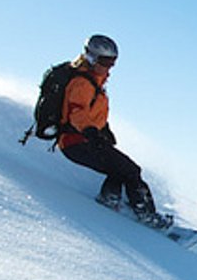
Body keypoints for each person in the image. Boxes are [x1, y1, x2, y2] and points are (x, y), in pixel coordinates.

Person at [58, 34, 170, 228]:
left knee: (119, 169)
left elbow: (92, 111)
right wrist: (91, 131)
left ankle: (109, 199)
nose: (110, 66)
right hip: (77, 142)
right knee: (131, 170)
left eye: (113, 62)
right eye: (105, 61)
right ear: (91, 57)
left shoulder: (95, 81)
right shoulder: (82, 82)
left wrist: (103, 130)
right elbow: (77, 112)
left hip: (82, 140)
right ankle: (147, 216)